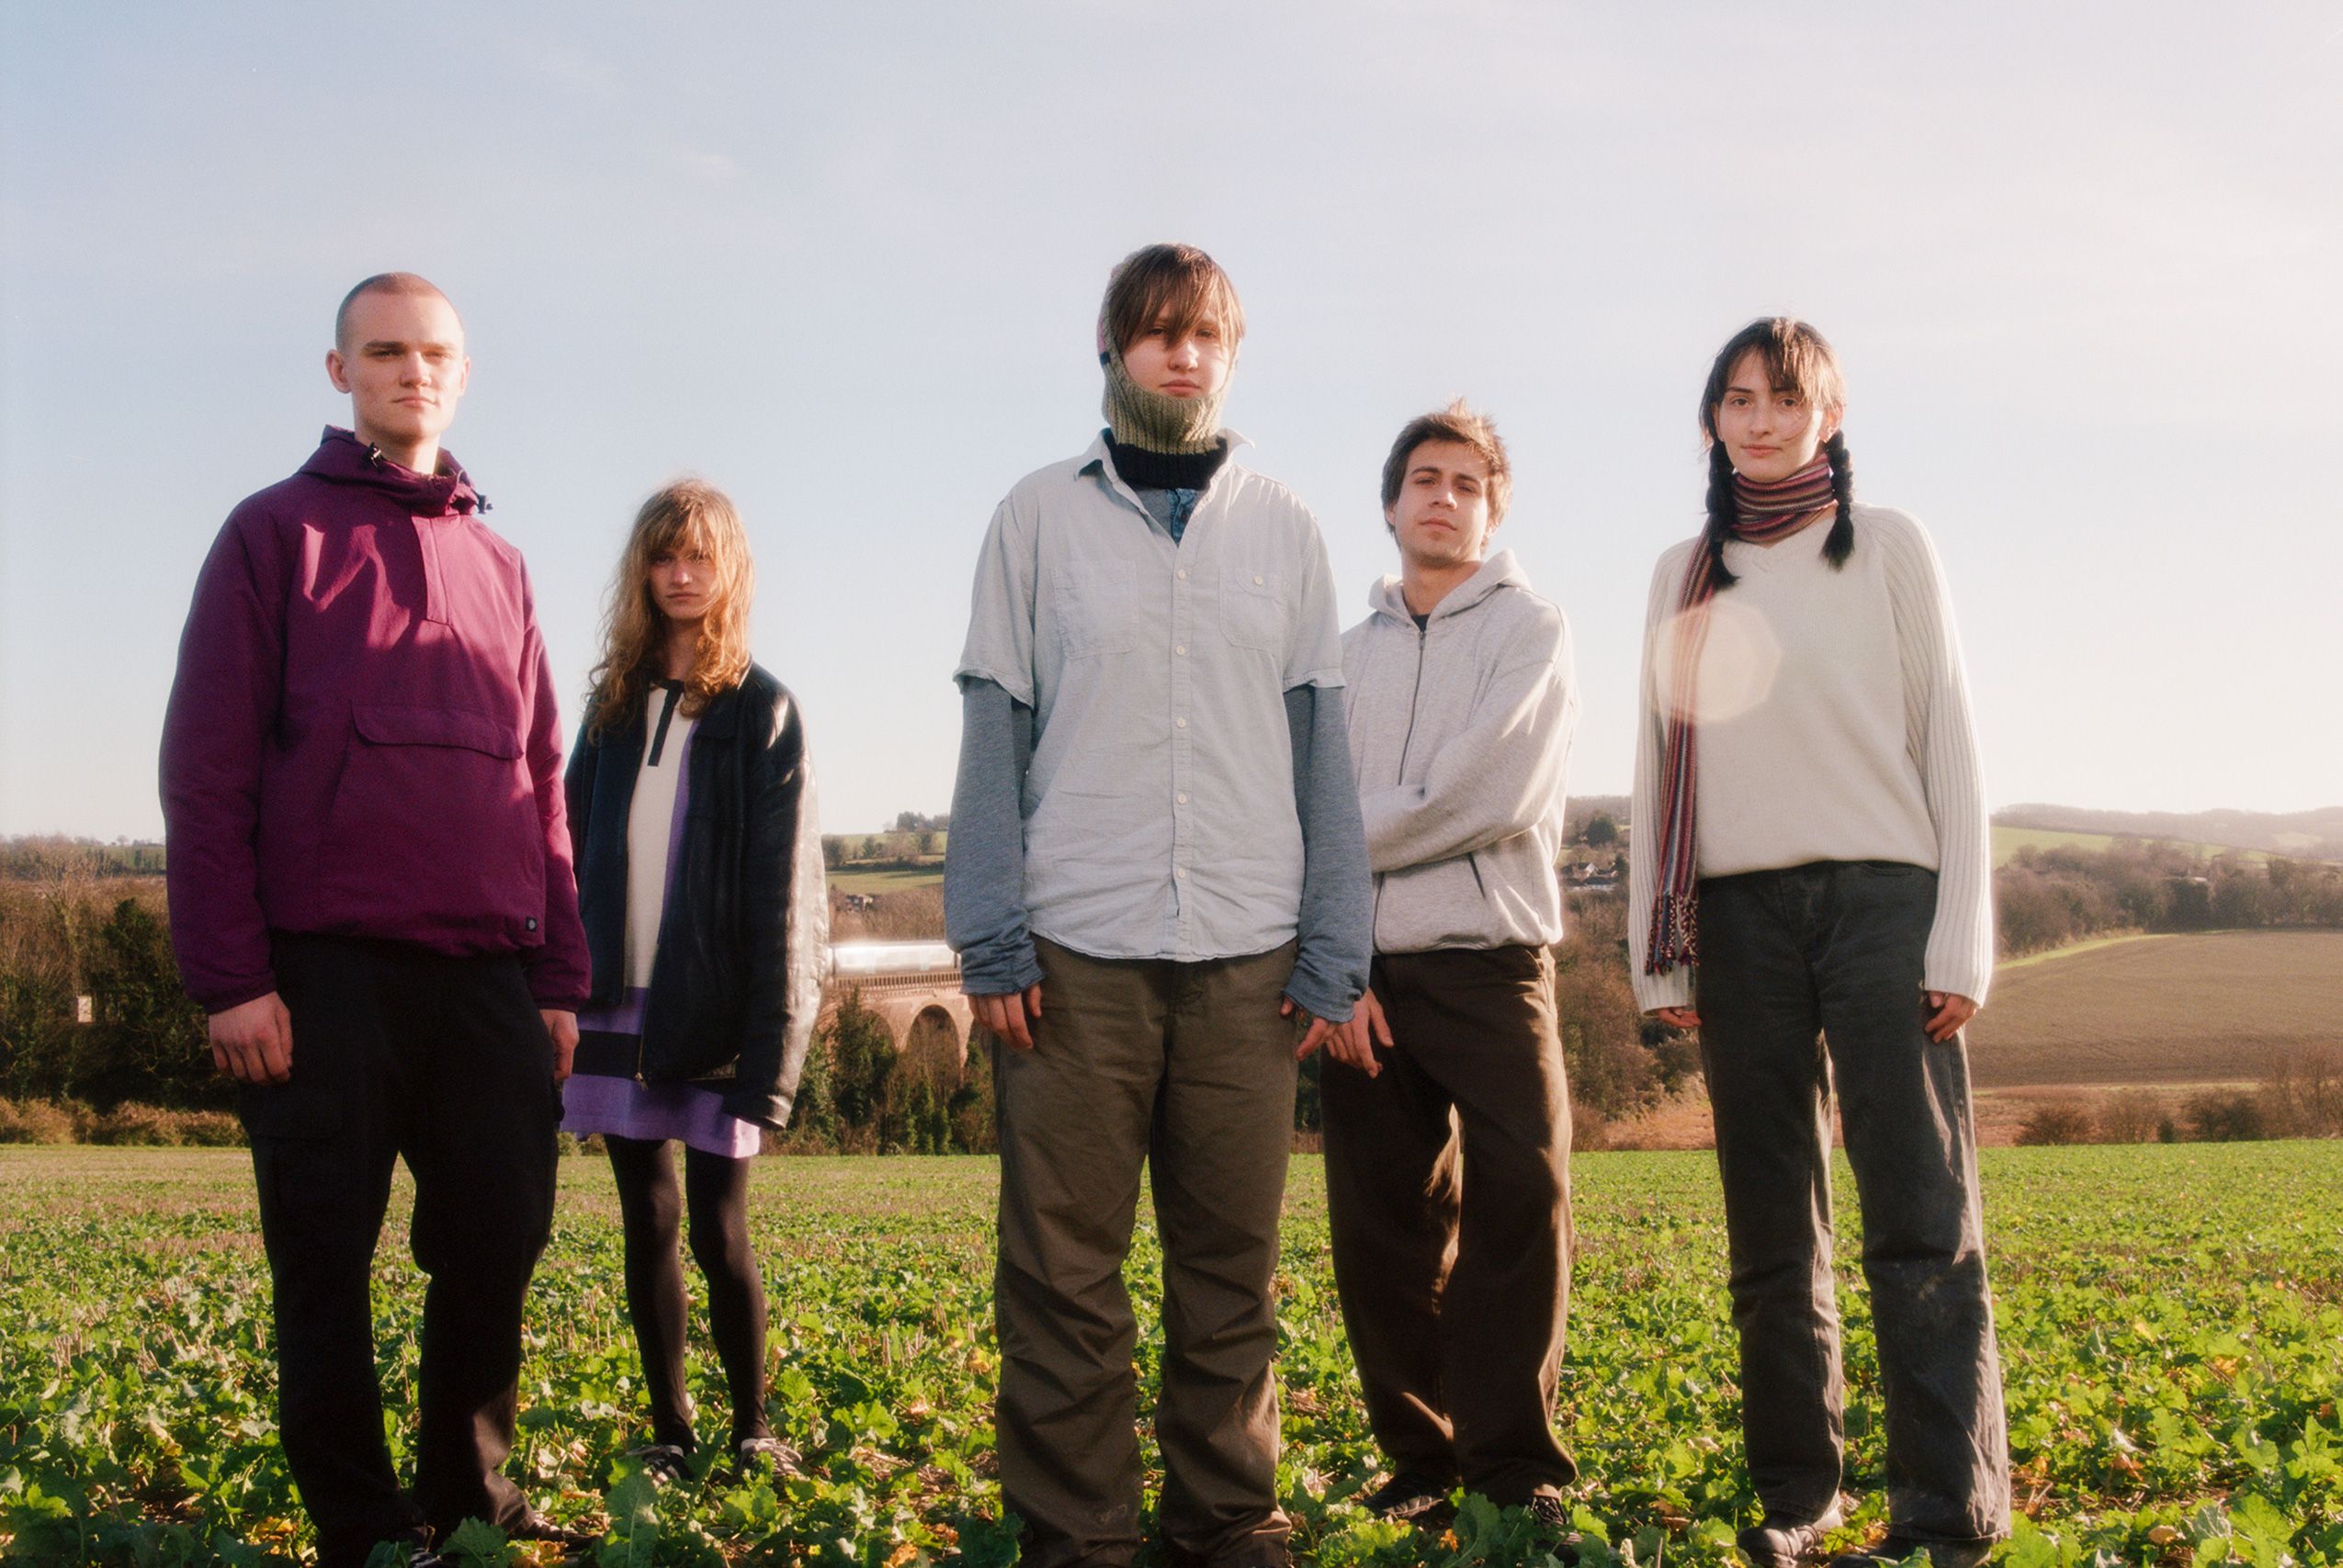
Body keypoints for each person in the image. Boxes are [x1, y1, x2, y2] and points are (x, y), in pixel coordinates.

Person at [944, 242, 1372, 1568]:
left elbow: (1320, 751)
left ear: (1231, 356)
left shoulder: (1287, 527)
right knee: (1063, 1270)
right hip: (1074, 955)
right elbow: (992, 733)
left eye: (1205, 334)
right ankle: (1080, 1533)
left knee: (1228, 1267)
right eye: (1157, 331)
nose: (1182, 353)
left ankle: (1224, 1520)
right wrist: (992, 930)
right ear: (1112, 347)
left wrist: (1336, 947)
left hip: (1250, 957)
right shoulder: (1033, 516)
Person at [159, 273, 592, 1567]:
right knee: (325, 1260)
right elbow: (208, 764)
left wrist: (558, 973)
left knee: (501, 1231)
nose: (415, 371)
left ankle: (470, 1496)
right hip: (321, 967)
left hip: (487, 971)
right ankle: (362, 1522)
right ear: (339, 371)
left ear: (463, 372)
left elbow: (541, 778)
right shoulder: (271, 533)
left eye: (437, 353)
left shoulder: (500, 562)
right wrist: (230, 974)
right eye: (387, 351)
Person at [1626, 319, 2008, 1568]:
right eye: (1734, 398)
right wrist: (1657, 952)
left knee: (1917, 1207)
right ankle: (1801, 1490)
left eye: (1784, 397)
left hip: (1882, 901)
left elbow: (1944, 729)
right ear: (1711, 419)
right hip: (1734, 916)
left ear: (1827, 413)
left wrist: (1962, 930)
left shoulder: (1889, 546)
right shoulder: (1683, 569)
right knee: (1770, 1222)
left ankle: (1944, 1510)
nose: (1758, 417)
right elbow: (1650, 757)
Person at [1319, 401, 1580, 1544]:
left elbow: (1493, 793)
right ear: (1390, 505)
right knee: (1382, 1225)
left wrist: (1332, 836)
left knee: (1526, 1195)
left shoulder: (1531, 629)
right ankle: (1419, 1460)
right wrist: (1332, 953)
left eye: (1467, 483)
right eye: (1424, 479)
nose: (1443, 497)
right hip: (1362, 971)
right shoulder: (1337, 657)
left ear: (1494, 508)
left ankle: (1513, 1468)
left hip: (1491, 961)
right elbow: (1295, 805)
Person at [561, 479, 827, 1485]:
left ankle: (752, 1426)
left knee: (720, 1230)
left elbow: (786, 890)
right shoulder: (613, 708)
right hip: (616, 997)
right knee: (650, 1223)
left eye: (700, 557)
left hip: (713, 1005)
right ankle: (670, 1429)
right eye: (664, 557)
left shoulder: (764, 711)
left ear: (730, 573)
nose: (681, 574)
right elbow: (571, 845)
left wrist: (774, 1041)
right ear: (641, 573)